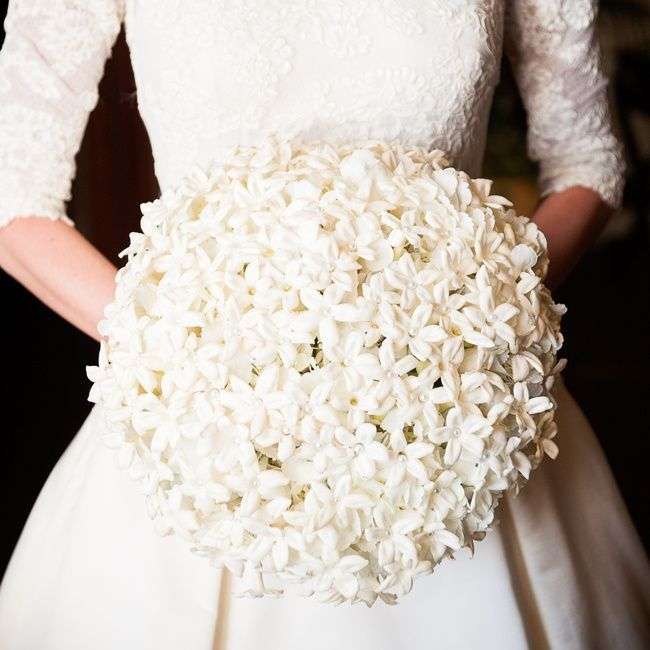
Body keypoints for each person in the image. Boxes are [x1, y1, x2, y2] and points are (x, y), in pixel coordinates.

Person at [0, 1, 648, 649]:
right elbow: (14, 195)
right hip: (203, 420)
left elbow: (588, 161)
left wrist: (478, 307)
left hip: (458, 404)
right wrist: (184, 348)